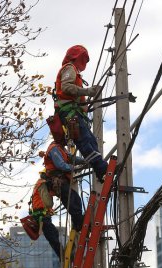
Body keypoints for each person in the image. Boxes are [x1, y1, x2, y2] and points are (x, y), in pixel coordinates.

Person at [54, 45, 108, 182]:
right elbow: (66, 87)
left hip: (73, 112)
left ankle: (100, 170)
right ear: (75, 57)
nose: (83, 63)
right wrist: (88, 91)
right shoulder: (69, 68)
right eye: (82, 58)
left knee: (91, 141)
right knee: (84, 140)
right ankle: (101, 168)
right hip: (69, 112)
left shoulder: (73, 71)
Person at [31, 140, 84, 259]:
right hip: (41, 215)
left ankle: (64, 254)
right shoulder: (41, 183)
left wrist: (82, 163)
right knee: (53, 236)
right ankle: (63, 255)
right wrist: (74, 168)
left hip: (43, 215)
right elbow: (47, 200)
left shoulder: (60, 150)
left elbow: (70, 158)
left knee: (53, 234)